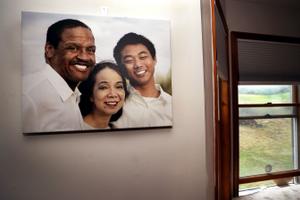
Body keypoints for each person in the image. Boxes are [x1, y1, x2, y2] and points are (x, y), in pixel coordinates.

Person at [22, 19, 96, 133]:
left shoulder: (73, 93)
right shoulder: (28, 96)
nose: (84, 57)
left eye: (90, 50)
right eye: (73, 48)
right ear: (49, 50)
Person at [112, 32, 172, 128]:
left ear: (154, 59)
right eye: (129, 60)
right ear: (121, 68)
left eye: (143, 57)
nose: (138, 64)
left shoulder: (172, 103)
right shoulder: (115, 106)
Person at [79, 61, 128, 129]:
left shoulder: (116, 129)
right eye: (104, 87)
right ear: (90, 94)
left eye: (119, 87)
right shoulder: (76, 128)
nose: (113, 94)